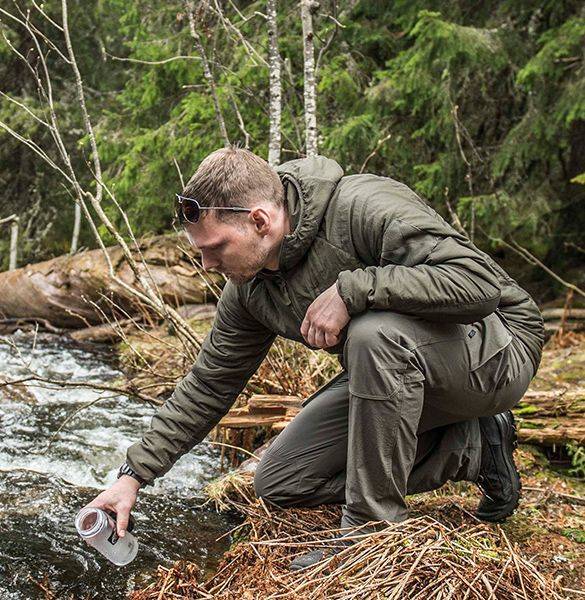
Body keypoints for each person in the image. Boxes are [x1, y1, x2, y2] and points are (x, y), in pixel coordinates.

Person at [88, 147, 544, 570]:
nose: (207, 265)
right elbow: (209, 384)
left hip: (499, 349)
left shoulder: (362, 205)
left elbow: (477, 284)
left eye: (216, 248)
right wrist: (133, 476)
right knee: (282, 481)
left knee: (371, 333)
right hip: (405, 370)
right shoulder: (249, 289)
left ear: (260, 221)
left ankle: (369, 534)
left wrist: (355, 290)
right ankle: (473, 450)